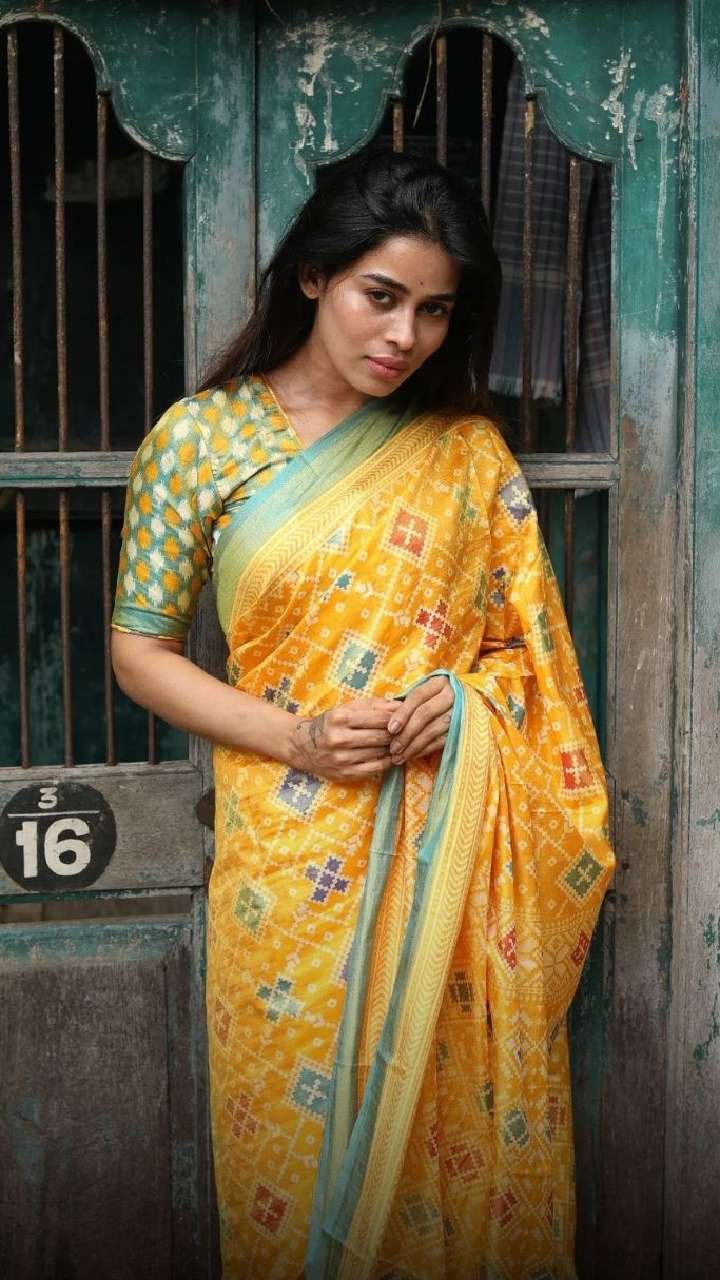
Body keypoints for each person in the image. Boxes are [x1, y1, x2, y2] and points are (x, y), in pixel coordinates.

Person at [111, 150, 614, 1280]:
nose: (405, 336)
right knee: (294, 1167)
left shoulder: (466, 452)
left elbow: (525, 655)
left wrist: (463, 703)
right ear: (313, 277)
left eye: (435, 311)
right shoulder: (201, 440)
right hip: (284, 869)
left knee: (446, 1156)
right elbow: (138, 654)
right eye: (380, 296)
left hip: (445, 856)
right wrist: (296, 736)